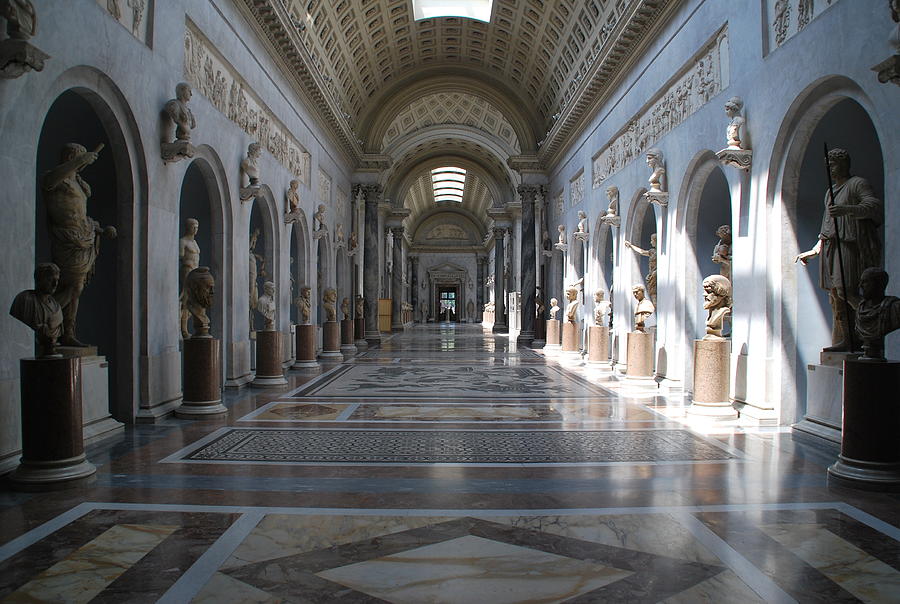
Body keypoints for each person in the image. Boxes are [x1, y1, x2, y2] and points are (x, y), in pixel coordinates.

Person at [795, 148, 883, 351]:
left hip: (849, 244)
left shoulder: (857, 184)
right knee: (836, 295)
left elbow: (873, 206)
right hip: (832, 246)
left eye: (833, 164)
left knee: (847, 290)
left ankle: (871, 328)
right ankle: (849, 338)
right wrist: (815, 250)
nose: (830, 169)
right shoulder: (830, 192)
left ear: (844, 164)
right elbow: (827, 226)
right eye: (828, 165)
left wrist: (847, 210)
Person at [42, 142, 117, 347]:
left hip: (83, 238)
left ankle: (65, 331)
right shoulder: (57, 179)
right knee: (73, 285)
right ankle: (45, 316)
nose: (84, 164)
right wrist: (78, 162)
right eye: (80, 158)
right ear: (71, 158)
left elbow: (80, 216)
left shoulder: (78, 183)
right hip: (67, 239)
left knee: (77, 286)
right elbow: (48, 182)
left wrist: (100, 229)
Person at [9, 263, 63, 357]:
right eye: (50, 280)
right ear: (39, 280)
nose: (55, 284)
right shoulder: (24, 300)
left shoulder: (56, 307)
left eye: (57, 280)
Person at [855, 267, 900, 361]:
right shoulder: (860, 309)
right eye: (861, 282)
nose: (860, 286)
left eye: (865, 282)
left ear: (879, 284)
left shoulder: (894, 308)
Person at [179, 218, 201, 339]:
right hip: (188, 271)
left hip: (196, 273)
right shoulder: (183, 242)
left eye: (197, 227)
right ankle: (183, 329)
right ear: (188, 227)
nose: (196, 229)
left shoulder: (194, 243)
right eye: (194, 226)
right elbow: (179, 257)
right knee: (186, 301)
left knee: (195, 301)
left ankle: (192, 326)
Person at [624, 234, 657, 303]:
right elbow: (642, 252)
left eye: (652, 240)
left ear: (655, 241)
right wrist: (631, 246)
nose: (651, 242)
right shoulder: (652, 252)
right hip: (651, 275)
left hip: (655, 274)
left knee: (654, 293)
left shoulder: (659, 252)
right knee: (652, 293)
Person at [702, 274, 732, 340]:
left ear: (721, 292)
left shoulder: (722, 311)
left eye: (709, 291)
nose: (704, 294)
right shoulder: (711, 313)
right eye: (704, 291)